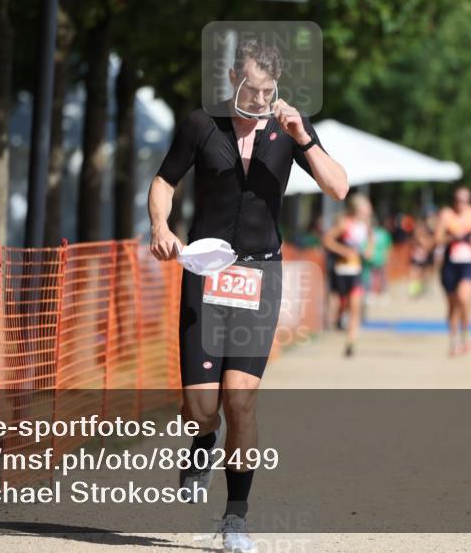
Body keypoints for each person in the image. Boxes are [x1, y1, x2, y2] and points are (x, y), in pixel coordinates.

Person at [148, 38, 348, 550]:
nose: (259, 100)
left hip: (260, 276)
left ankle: (235, 519)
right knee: (199, 408)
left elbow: (339, 187)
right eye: (251, 88)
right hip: (206, 272)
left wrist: (304, 139)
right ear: (234, 76)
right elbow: (164, 181)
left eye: (267, 91)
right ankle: (203, 438)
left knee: (241, 400)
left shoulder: (289, 129)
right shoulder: (201, 124)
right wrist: (160, 227)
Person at [435, 187, 471, 356]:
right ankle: (453, 341)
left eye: (464, 201)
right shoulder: (446, 215)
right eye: (458, 200)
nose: (461, 204)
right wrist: (451, 237)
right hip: (450, 264)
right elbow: (437, 238)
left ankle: (465, 336)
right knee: (452, 306)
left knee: (463, 298)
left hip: (467, 264)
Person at [322, 194, 373, 357]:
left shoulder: (366, 225)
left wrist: (368, 251)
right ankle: (339, 318)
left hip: (356, 271)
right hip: (341, 270)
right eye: (366, 207)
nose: (369, 210)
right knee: (342, 305)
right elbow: (327, 240)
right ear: (357, 209)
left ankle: (351, 341)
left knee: (355, 307)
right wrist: (343, 251)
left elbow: (370, 242)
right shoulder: (344, 223)